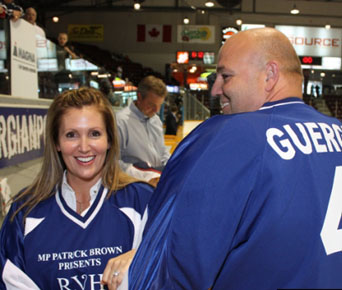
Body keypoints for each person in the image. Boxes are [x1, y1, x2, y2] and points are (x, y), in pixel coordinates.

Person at [128, 27, 342, 289]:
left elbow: (168, 264)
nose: (216, 89)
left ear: (270, 75)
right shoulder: (338, 131)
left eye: (225, 76)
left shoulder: (228, 135)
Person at [0, 87, 154, 289]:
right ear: (56, 142)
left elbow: (177, 262)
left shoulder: (141, 201)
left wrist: (143, 257)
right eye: (71, 135)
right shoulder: (24, 212)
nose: (84, 147)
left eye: (94, 134)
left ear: (109, 140)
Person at [116, 75, 170, 185]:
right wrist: (145, 174)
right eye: (151, 105)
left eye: (160, 105)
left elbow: (162, 152)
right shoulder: (120, 122)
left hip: (157, 182)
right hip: (134, 185)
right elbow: (113, 163)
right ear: (139, 97)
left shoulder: (156, 121)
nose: (156, 110)